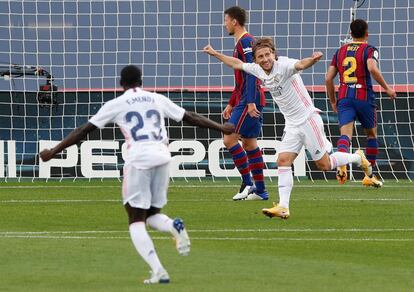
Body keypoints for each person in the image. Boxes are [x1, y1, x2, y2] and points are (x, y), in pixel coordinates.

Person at [40, 65, 234, 284]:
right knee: (151, 214)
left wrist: (53, 151)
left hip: (139, 160)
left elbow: (83, 131)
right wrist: (222, 128)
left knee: (135, 219)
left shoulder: (117, 103)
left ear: (121, 83)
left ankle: (158, 270)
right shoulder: (156, 99)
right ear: (141, 81)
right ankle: (172, 226)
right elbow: (190, 116)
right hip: (162, 157)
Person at [204, 38, 372, 219]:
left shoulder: (284, 65)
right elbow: (236, 63)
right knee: (283, 161)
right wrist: (215, 54)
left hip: (308, 119)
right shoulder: (257, 69)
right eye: (260, 56)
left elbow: (300, 64)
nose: (265, 59)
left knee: (324, 164)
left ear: (274, 54)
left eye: (268, 54)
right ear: (256, 60)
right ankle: (283, 207)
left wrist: (313, 59)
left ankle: (357, 157)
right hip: (292, 124)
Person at [325, 19, 396, 187]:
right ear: (367, 34)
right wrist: (387, 88)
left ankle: (342, 162)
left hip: (344, 98)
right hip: (364, 97)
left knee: (345, 136)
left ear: (350, 34)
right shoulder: (370, 50)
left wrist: (333, 101)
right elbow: (372, 68)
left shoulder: (340, 51)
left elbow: (328, 78)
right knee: (371, 135)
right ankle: (369, 176)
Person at [221, 6, 268, 201]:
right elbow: (240, 80)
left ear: (234, 21)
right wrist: (232, 103)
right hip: (246, 98)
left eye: (225, 20)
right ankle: (261, 190)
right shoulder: (240, 43)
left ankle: (248, 183)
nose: (224, 24)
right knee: (249, 143)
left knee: (229, 139)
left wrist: (249, 102)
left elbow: (251, 73)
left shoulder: (246, 42)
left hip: (251, 98)